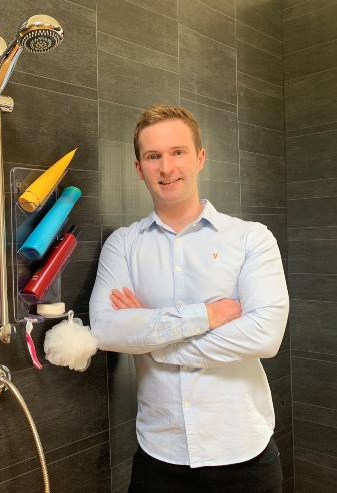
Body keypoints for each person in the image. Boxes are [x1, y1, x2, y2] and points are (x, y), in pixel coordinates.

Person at [89, 105, 289, 493]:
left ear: (199, 158)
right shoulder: (123, 245)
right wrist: (208, 315)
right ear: (138, 168)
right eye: (153, 156)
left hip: (244, 454)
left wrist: (154, 339)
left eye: (178, 152)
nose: (166, 168)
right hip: (158, 456)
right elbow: (106, 329)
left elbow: (265, 336)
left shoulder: (251, 239)